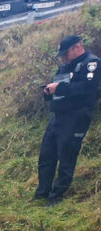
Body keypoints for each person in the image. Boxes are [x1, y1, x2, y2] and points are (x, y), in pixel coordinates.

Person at [35, 34, 101, 204]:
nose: (64, 58)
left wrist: (60, 88)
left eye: (66, 53)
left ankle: (56, 196)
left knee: (66, 156)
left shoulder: (91, 64)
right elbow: (57, 88)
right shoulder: (64, 68)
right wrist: (48, 92)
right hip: (58, 116)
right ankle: (42, 193)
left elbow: (87, 89)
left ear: (78, 47)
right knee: (46, 155)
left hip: (76, 116)